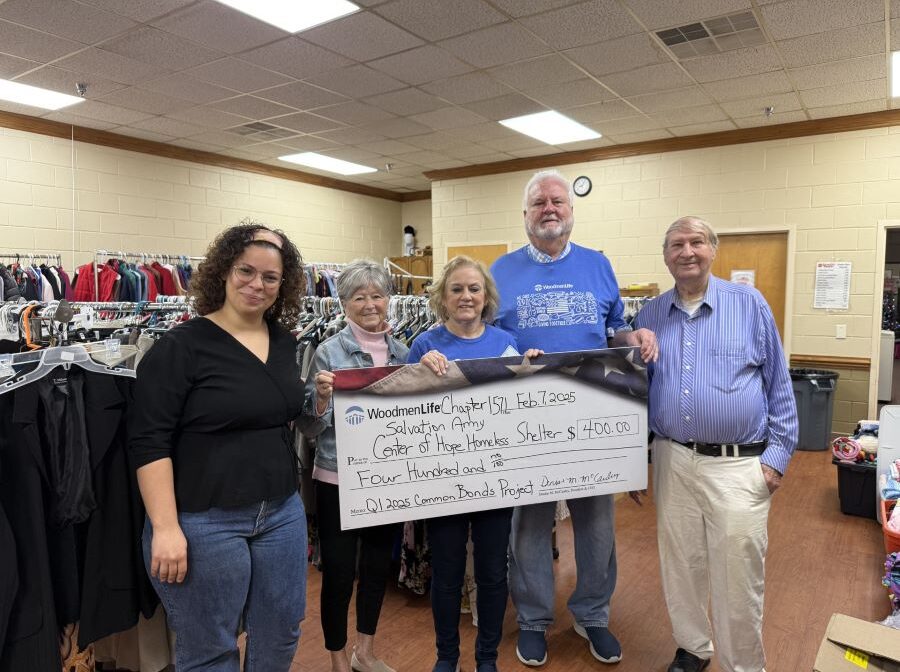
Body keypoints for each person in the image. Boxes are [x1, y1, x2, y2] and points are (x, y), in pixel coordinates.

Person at [490, 170, 658, 667]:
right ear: (525, 215)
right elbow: (487, 340)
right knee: (531, 526)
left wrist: (636, 338)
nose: (549, 208)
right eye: (539, 202)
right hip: (529, 417)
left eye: (557, 201)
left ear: (571, 210)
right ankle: (536, 619)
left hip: (595, 413)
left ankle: (593, 614)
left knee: (596, 524)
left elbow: (614, 327)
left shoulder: (598, 265)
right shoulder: (500, 271)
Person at [129, 222, 308, 671]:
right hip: (204, 519)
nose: (257, 285)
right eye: (246, 271)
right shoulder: (181, 347)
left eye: (270, 277)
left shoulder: (285, 343)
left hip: (282, 511)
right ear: (224, 272)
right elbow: (149, 441)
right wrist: (166, 528)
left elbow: (278, 416)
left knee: (281, 634)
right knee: (211, 648)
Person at [632, 216, 798, 672]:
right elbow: (632, 392)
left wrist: (777, 460)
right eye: (676, 245)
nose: (687, 252)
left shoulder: (748, 304)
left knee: (738, 576)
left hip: (737, 465)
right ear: (665, 256)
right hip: (671, 457)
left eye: (697, 242)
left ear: (713, 250)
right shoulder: (649, 316)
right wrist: (630, 462)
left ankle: (742, 665)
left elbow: (779, 385)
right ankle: (693, 647)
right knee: (680, 563)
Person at [410, 255, 541, 672]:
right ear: (442, 298)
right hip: (443, 482)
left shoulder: (507, 343)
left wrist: (538, 369)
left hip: (496, 480)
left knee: (491, 572)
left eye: (474, 289)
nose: (466, 296)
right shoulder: (424, 345)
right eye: (456, 289)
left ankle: (487, 657)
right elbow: (405, 414)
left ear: (486, 297)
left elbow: (525, 408)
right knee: (446, 576)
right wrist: (418, 372)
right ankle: (446, 657)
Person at [304, 259, 408, 672]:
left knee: (376, 567)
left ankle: (364, 651)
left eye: (377, 295)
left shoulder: (404, 353)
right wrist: (324, 399)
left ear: (388, 300)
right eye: (359, 296)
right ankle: (336, 658)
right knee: (340, 574)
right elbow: (310, 428)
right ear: (343, 303)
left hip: (386, 479)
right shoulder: (328, 352)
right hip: (337, 480)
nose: (370, 303)